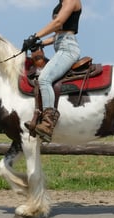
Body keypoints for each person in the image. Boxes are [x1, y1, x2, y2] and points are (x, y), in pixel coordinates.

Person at [22, 0, 82, 142]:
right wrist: (40, 43)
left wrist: (35, 36)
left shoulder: (71, 0)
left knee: (44, 79)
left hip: (67, 48)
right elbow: (57, 35)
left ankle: (48, 125)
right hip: (61, 44)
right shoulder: (61, 2)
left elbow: (58, 23)